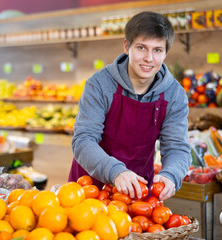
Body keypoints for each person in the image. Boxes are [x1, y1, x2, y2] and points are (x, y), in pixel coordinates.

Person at [68, 11, 191, 201]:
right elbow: (83, 140)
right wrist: (115, 171)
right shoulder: (100, 85)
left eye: (157, 50)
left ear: (165, 52)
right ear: (127, 46)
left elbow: (176, 147)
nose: (149, 58)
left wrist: (171, 174)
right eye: (141, 48)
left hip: (137, 191)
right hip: (89, 189)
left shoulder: (174, 94)